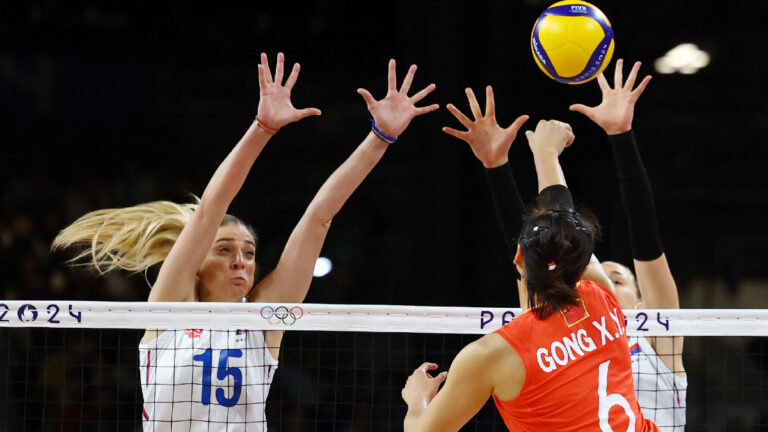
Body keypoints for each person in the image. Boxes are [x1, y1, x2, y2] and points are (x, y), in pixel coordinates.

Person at [52, 53, 438, 431]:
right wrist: (263, 128)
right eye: (225, 250)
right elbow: (210, 209)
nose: (241, 261)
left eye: (249, 253)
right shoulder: (171, 307)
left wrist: (380, 137)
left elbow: (319, 218)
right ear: (197, 264)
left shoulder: (264, 317)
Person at [401, 95, 658, 431]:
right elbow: (562, 226)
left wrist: (417, 400)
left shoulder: (489, 355)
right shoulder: (603, 296)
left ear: (518, 257)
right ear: (583, 261)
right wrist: (545, 154)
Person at [570, 59, 686, 431]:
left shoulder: (657, 337)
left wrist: (620, 135)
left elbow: (646, 238)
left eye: (617, 281)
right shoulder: (565, 346)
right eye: (595, 279)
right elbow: (529, 261)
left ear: (640, 303)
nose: (603, 283)